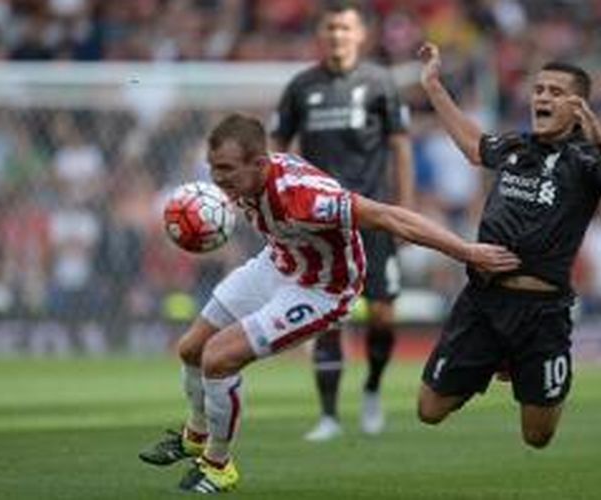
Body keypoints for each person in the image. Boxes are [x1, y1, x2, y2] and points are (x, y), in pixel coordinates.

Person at [138, 112, 520, 493]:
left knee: (218, 357)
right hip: (278, 263)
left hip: (322, 289)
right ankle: (195, 435)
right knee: (191, 349)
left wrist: (466, 251)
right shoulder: (241, 182)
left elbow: (391, 218)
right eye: (213, 169)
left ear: (258, 163)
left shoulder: (306, 198)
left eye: (225, 169)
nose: (217, 179)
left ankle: (219, 466)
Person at [416, 43, 601, 448]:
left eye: (556, 92)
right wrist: (434, 88)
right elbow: (473, 145)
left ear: (580, 108)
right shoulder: (516, 146)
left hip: (542, 314)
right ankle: (493, 359)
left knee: (537, 436)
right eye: (539, 89)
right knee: (428, 410)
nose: (542, 97)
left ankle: (522, 364)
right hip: (483, 303)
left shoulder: (586, 159)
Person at [270, 0, 414, 440]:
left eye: (346, 28)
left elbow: (400, 146)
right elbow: (277, 145)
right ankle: (329, 415)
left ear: (361, 34)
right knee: (327, 319)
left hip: (372, 215)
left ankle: (371, 387)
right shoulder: (300, 86)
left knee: (383, 316)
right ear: (321, 33)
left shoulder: (379, 82)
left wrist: (403, 208)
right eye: (331, 27)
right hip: (321, 221)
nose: (338, 35)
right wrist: (284, 201)